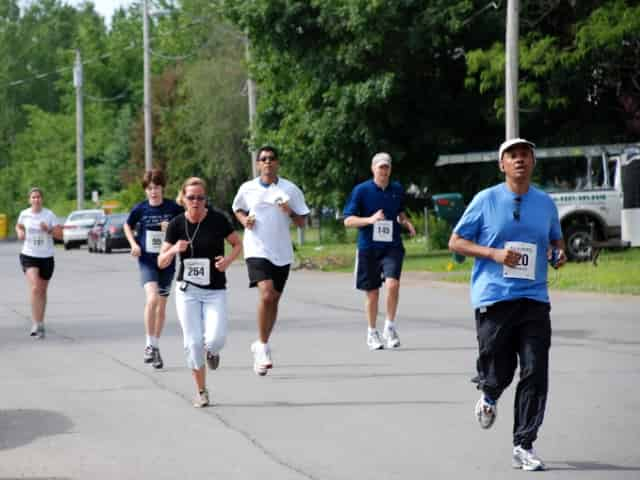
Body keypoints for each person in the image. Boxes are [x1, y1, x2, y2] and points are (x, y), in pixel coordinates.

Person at [448, 138, 567, 471]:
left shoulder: (545, 203)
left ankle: (523, 444)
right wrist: (493, 254)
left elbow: (556, 240)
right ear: (502, 164)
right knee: (499, 370)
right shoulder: (486, 200)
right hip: (494, 297)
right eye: (512, 156)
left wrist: (558, 253)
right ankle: (489, 393)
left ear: (533, 162)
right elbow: (455, 241)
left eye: (525, 155)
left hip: (534, 298)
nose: (519, 161)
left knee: (535, 370)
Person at [158, 177, 241, 407]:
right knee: (193, 342)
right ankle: (201, 391)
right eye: (191, 197)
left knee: (215, 339)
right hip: (188, 292)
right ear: (183, 199)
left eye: (200, 197)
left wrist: (227, 261)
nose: (196, 201)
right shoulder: (176, 224)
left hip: (215, 290)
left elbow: (237, 244)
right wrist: (175, 248)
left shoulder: (217, 220)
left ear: (206, 199)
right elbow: (161, 262)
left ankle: (213, 351)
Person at [232, 146, 310, 376]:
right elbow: (237, 207)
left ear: (277, 163)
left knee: (274, 299)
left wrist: (289, 212)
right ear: (258, 164)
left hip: (282, 252)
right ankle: (263, 347)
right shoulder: (248, 188)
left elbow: (302, 222)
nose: (267, 162)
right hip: (256, 248)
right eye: (263, 159)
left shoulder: (290, 189)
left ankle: (261, 342)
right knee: (266, 294)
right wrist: (244, 220)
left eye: (271, 159)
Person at [343, 152, 416, 350]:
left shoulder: (397, 189)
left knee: (393, 285)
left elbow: (399, 212)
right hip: (369, 248)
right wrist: (369, 219)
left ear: (390, 169)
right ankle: (372, 332)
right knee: (373, 293)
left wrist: (407, 222)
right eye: (380, 167)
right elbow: (348, 220)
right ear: (373, 169)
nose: (384, 171)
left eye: (387, 167)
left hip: (392, 246)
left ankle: (389, 327)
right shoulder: (361, 191)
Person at [124, 169, 183, 369]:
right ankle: (149, 344)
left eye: (156, 187)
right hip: (147, 260)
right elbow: (127, 225)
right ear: (145, 191)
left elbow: (185, 226)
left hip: (167, 261)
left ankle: (155, 346)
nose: (153, 192)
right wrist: (134, 244)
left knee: (162, 306)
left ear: (162, 188)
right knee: (152, 299)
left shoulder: (173, 208)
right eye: (149, 188)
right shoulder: (140, 209)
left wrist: (172, 229)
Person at [15, 187, 63, 339]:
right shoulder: (25, 214)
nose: (36, 199)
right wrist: (20, 232)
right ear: (29, 200)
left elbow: (60, 235)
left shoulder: (49, 215)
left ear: (42, 199)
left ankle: (41, 322)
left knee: (42, 290)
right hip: (29, 255)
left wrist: (48, 229)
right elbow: (19, 225)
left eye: (38, 197)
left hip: (46, 256)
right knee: (35, 287)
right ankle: (35, 323)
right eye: (33, 197)